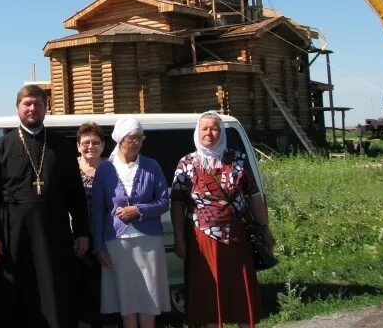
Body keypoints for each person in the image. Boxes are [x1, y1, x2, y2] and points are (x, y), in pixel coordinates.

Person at [0, 84, 90, 328]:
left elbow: (75, 193)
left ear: (45, 108)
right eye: (27, 104)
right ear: (18, 108)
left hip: (54, 231)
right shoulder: (2, 146)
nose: (32, 108)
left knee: (54, 288)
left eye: (37, 104)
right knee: (15, 291)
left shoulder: (60, 145)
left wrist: (82, 231)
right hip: (13, 233)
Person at [170, 111, 274, 328]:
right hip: (202, 239)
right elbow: (178, 204)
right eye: (204, 128)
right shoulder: (187, 163)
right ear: (198, 132)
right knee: (209, 292)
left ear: (222, 132)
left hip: (237, 236)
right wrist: (180, 239)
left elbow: (254, 196)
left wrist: (264, 228)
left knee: (239, 290)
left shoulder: (237, 160)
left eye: (214, 128)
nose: (209, 133)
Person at [91, 117, 171, 328]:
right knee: (126, 298)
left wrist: (138, 210)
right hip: (117, 242)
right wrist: (98, 247)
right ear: (120, 139)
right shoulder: (105, 169)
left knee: (149, 294)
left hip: (148, 241)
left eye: (140, 137)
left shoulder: (151, 166)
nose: (136, 142)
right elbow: (98, 211)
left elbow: (164, 202)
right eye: (131, 137)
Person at [75, 122, 106, 328]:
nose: (90, 146)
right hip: (78, 234)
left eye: (95, 142)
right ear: (78, 145)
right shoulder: (70, 167)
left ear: (103, 145)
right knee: (81, 284)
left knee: (103, 285)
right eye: (85, 142)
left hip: (106, 234)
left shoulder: (111, 167)